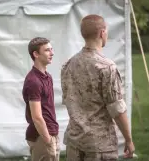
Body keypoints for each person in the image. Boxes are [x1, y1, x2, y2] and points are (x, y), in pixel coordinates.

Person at [61, 14, 135, 161]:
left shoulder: (68, 64)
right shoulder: (106, 67)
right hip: (99, 146)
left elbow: (67, 99)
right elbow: (117, 109)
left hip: (74, 142)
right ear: (102, 32)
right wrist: (129, 139)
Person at [22, 37, 60, 161]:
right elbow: (37, 117)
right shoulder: (34, 81)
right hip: (41, 137)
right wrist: (48, 141)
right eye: (47, 50)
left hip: (51, 132)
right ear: (36, 54)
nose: (52, 53)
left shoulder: (47, 77)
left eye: (51, 49)